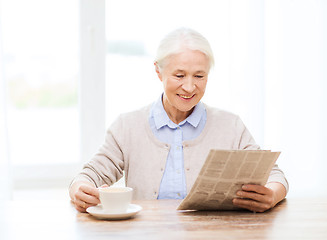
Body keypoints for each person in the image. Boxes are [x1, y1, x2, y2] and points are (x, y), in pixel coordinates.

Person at [69, 28, 289, 213]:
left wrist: (272, 194)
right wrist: (80, 190)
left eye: (199, 76)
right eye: (180, 75)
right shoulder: (127, 126)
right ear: (158, 71)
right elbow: (89, 176)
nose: (190, 87)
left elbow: (275, 175)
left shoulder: (230, 126)